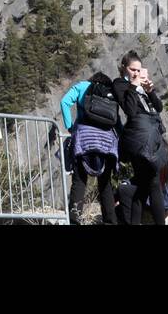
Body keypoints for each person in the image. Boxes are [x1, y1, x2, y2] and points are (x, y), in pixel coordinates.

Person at [112, 52, 168, 226]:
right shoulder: (120, 84)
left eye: (139, 70)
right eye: (132, 69)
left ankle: (135, 222)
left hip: (149, 138)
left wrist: (150, 92)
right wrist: (133, 86)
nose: (136, 73)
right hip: (138, 139)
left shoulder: (138, 85)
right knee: (153, 184)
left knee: (143, 186)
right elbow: (129, 110)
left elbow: (158, 108)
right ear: (124, 68)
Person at [59, 71, 120, 224]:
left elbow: (64, 102)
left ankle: (74, 219)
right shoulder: (110, 93)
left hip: (84, 138)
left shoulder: (83, 86)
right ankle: (110, 221)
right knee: (105, 183)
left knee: (79, 180)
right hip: (106, 141)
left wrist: (70, 127)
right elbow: (116, 120)